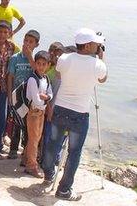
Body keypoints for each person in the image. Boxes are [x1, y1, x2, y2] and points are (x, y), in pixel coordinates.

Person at [42, 28, 107, 201]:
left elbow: (58, 72)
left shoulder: (64, 58)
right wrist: (101, 59)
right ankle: (64, 190)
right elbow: (102, 79)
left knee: (53, 144)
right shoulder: (98, 65)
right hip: (80, 114)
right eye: (94, 44)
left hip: (61, 109)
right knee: (74, 151)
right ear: (86, 46)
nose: (97, 46)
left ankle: (48, 172)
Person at [6, 29, 39, 159]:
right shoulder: (15, 58)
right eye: (26, 40)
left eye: (31, 42)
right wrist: (9, 96)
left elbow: (38, 72)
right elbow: (10, 77)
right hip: (16, 96)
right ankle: (13, 149)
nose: (27, 43)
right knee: (15, 124)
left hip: (30, 98)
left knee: (27, 125)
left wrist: (30, 56)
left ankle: (25, 150)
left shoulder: (36, 59)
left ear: (36, 44)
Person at [23, 51, 53, 178]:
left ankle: (26, 159)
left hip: (41, 111)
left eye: (43, 64)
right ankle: (32, 166)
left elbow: (50, 94)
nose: (41, 66)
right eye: (38, 63)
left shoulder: (45, 78)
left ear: (48, 65)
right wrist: (45, 98)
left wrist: (45, 97)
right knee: (34, 140)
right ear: (35, 64)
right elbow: (36, 100)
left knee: (35, 138)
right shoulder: (32, 79)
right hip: (34, 112)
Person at [0, 21, 18, 156]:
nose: (2, 35)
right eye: (0, 31)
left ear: (9, 34)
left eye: (5, 32)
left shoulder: (11, 47)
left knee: (1, 117)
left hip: (3, 88)